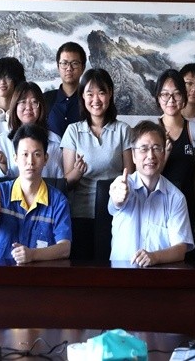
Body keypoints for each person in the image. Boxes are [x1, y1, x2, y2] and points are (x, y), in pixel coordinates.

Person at [61, 68, 134, 260]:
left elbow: (130, 177)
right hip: (81, 213)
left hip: (115, 211)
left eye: (101, 92)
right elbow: (66, 183)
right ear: (82, 97)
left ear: (110, 94)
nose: (96, 99)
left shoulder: (123, 130)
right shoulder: (73, 131)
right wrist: (77, 173)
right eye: (89, 93)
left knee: (112, 268)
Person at [0, 124, 72, 264]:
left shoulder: (58, 201)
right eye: (25, 154)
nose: (30, 162)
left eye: (37, 154)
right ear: (15, 158)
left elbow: (64, 248)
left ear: (46, 158)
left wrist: (32, 255)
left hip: (40, 274)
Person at [107, 120, 194, 266]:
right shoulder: (122, 185)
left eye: (156, 148)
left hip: (160, 275)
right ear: (133, 155)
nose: (150, 155)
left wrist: (154, 257)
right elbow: (116, 202)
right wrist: (118, 199)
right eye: (144, 149)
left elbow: (180, 249)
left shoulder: (176, 197)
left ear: (164, 154)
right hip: (121, 274)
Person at [154, 69, 195, 246]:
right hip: (157, 213)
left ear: (184, 97)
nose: (171, 100)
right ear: (158, 97)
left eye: (176, 94)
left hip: (187, 211)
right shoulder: (150, 132)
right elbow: (145, 180)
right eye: (165, 94)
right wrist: (165, 155)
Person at [0, 81, 64, 179]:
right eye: (23, 102)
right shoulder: (4, 140)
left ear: (41, 107)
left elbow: (60, 182)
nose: (28, 107)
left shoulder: (54, 141)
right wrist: (3, 165)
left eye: (34, 102)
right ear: (15, 106)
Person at [43, 42, 86, 137]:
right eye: (64, 63)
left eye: (74, 63)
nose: (69, 68)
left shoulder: (89, 100)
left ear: (83, 68)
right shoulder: (45, 99)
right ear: (58, 67)